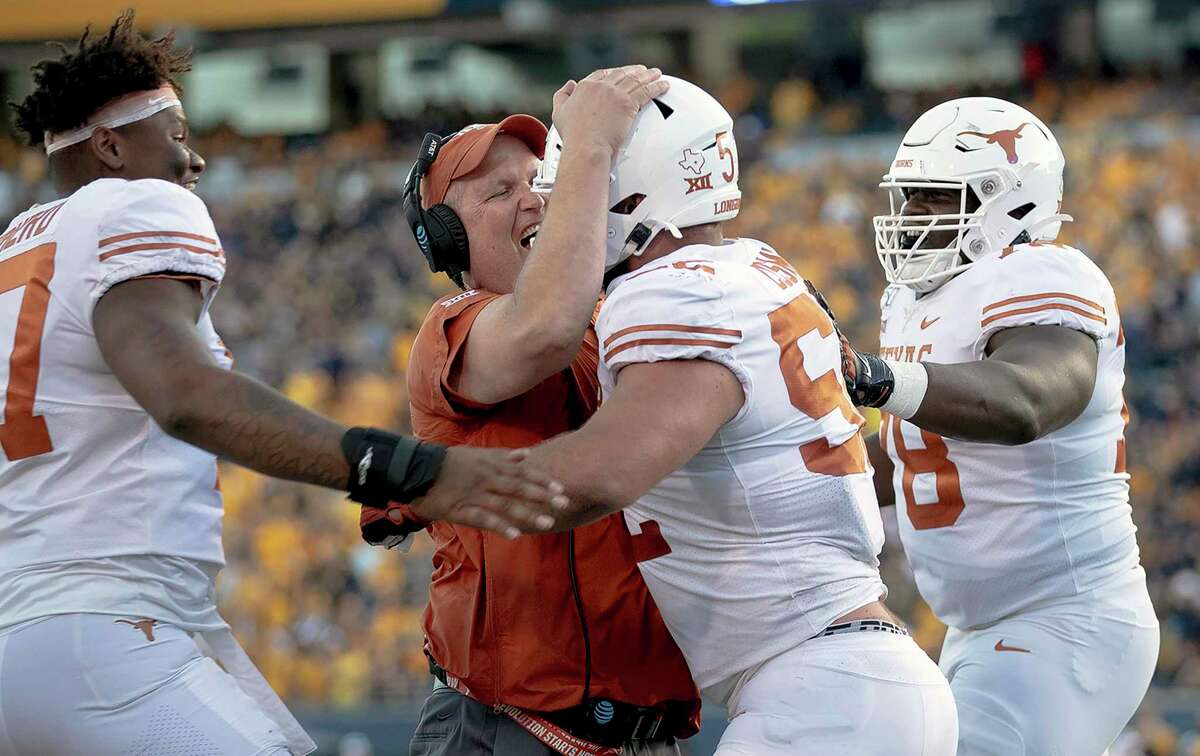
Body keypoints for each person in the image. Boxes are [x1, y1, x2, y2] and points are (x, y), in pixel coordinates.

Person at [0, 14, 567, 756]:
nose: (194, 159)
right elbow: (184, 396)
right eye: (174, 136)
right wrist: (404, 468)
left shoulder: (18, 241)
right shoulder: (134, 204)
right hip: (107, 627)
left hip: (40, 622)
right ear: (111, 146)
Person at [524, 75, 959, 756]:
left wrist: (432, 479)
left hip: (823, 692)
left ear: (634, 187)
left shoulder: (668, 294)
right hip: (853, 677)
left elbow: (594, 479)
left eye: (582, 174)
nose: (561, 206)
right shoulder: (756, 268)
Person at [363, 66, 701, 755]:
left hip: (650, 731)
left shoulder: (626, 315)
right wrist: (590, 150)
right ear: (448, 239)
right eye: (500, 191)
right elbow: (544, 330)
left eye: (538, 180)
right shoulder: (452, 327)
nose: (537, 201)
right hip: (509, 726)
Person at [837, 96, 1160, 755]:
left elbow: (1029, 401)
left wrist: (879, 379)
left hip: (1065, 618)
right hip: (980, 626)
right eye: (910, 197)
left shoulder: (1042, 273)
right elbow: (912, 451)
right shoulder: (912, 297)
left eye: (935, 198)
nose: (913, 217)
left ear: (1007, 201)